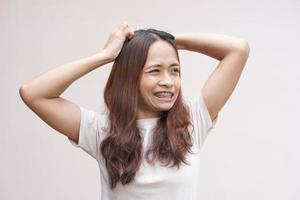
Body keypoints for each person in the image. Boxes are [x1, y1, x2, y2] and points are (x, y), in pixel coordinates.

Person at [19, 22, 250, 200]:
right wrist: (105, 55)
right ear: (131, 78)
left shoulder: (192, 123)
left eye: (175, 70)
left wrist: (162, 40)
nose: (168, 81)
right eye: (155, 70)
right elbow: (33, 93)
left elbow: (238, 49)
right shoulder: (101, 132)